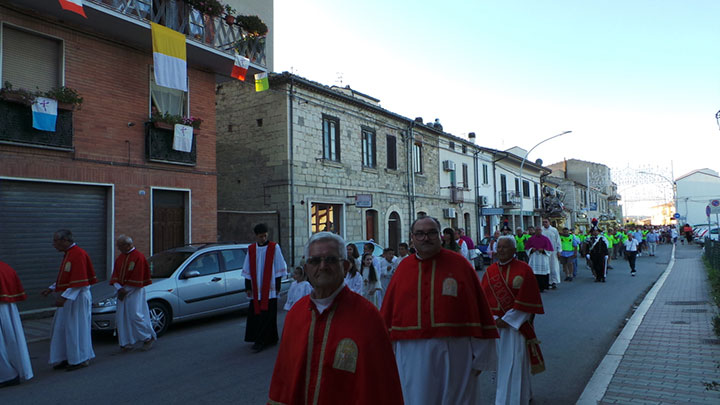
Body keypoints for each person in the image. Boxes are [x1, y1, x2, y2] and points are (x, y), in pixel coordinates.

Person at [267, 232, 404, 404]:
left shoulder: (368, 317)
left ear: (345, 266)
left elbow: (382, 387)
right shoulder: (296, 314)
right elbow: (284, 379)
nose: (322, 266)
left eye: (331, 260)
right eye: (315, 261)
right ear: (307, 267)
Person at [381, 216, 499, 405]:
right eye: (420, 234)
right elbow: (389, 315)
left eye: (431, 233)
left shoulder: (460, 265)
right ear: (412, 238)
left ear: (440, 236)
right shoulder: (403, 268)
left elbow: (477, 310)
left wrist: (481, 357)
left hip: (456, 351)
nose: (425, 238)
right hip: (413, 355)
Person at [480, 236, 545, 404]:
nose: (501, 250)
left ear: (514, 250)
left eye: (505, 247)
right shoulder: (490, 271)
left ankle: (511, 399)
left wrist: (508, 320)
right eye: (499, 247)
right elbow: (483, 298)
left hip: (516, 327)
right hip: (496, 326)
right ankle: (521, 394)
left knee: (515, 363)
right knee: (502, 365)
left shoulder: (524, 270)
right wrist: (493, 319)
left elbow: (529, 300)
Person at [41, 229, 97, 371]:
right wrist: (52, 288)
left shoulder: (78, 254)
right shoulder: (69, 254)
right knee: (62, 329)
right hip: (68, 297)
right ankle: (66, 357)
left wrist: (64, 298)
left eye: (55, 241)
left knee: (77, 329)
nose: (53, 244)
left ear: (65, 240)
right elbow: (67, 277)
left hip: (76, 298)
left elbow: (80, 282)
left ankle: (81, 359)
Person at [242, 223, 287, 353]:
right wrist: (248, 287)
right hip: (256, 289)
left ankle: (265, 340)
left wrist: (277, 286)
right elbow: (247, 269)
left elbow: (279, 267)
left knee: (268, 315)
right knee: (257, 315)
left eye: (265, 236)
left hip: (270, 288)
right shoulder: (251, 249)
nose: (263, 238)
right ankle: (258, 338)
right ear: (256, 236)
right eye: (261, 236)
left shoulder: (274, 247)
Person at [110, 235, 156, 352]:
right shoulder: (120, 258)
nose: (118, 248)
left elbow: (138, 277)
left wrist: (125, 290)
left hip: (135, 291)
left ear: (127, 245)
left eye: (119, 245)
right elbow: (115, 274)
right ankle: (126, 342)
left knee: (135, 315)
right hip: (122, 292)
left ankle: (147, 338)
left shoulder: (138, 257)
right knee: (122, 317)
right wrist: (119, 288)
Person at [0, 260, 33, 387]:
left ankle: (7, 375)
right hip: (8, 307)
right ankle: (14, 371)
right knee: (11, 340)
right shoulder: (5, 266)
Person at [526, 226, 553, 292]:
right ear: (535, 231)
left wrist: (543, 250)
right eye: (537, 230)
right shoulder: (531, 239)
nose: (538, 231)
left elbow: (550, 250)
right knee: (534, 272)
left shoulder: (545, 239)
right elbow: (526, 249)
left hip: (542, 258)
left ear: (541, 231)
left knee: (543, 273)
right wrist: (531, 249)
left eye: (539, 230)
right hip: (534, 258)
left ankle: (542, 287)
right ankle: (534, 287)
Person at [541, 218, 562, 289]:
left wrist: (559, 250)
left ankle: (554, 282)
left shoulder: (554, 230)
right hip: (544, 251)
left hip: (553, 251)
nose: (544, 223)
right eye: (543, 222)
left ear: (549, 222)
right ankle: (548, 282)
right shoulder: (541, 230)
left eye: (546, 222)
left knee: (554, 267)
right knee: (546, 266)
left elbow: (558, 240)